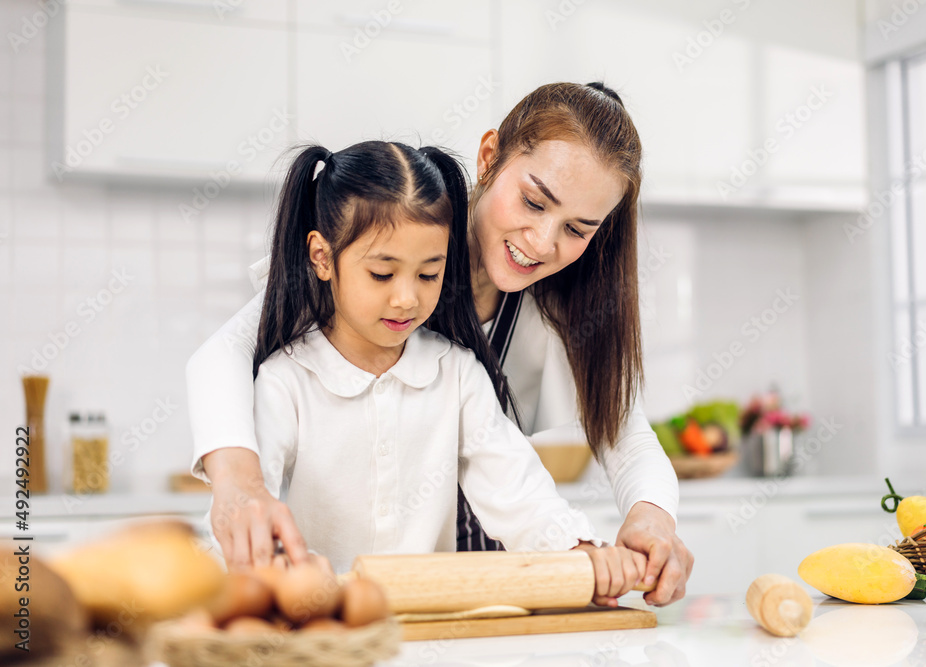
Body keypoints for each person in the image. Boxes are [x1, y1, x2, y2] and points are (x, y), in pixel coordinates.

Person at [188, 82, 693, 606]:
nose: (542, 241)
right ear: (489, 156)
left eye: (578, 228)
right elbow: (223, 354)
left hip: (472, 590)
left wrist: (646, 521)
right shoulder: (374, 243)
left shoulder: (537, 321)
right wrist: (241, 486)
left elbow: (617, 439)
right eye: (533, 201)